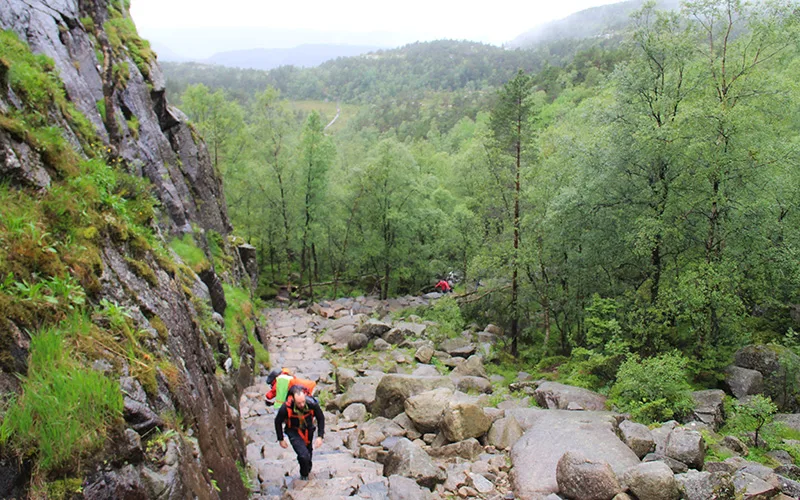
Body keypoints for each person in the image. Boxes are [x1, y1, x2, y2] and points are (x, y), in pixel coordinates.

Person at [274, 385, 325, 480]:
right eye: (299, 403)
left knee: (308, 454)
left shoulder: (311, 404)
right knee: (303, 455)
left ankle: (307, 471)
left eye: (303, 402)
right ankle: (304, 475)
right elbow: (278, 422)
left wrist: (320, 436)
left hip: (308, 429)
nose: (301, 405)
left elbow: (320, 418)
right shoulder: (286, 408)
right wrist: (281, 438)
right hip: (293, 431)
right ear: (293, 399)